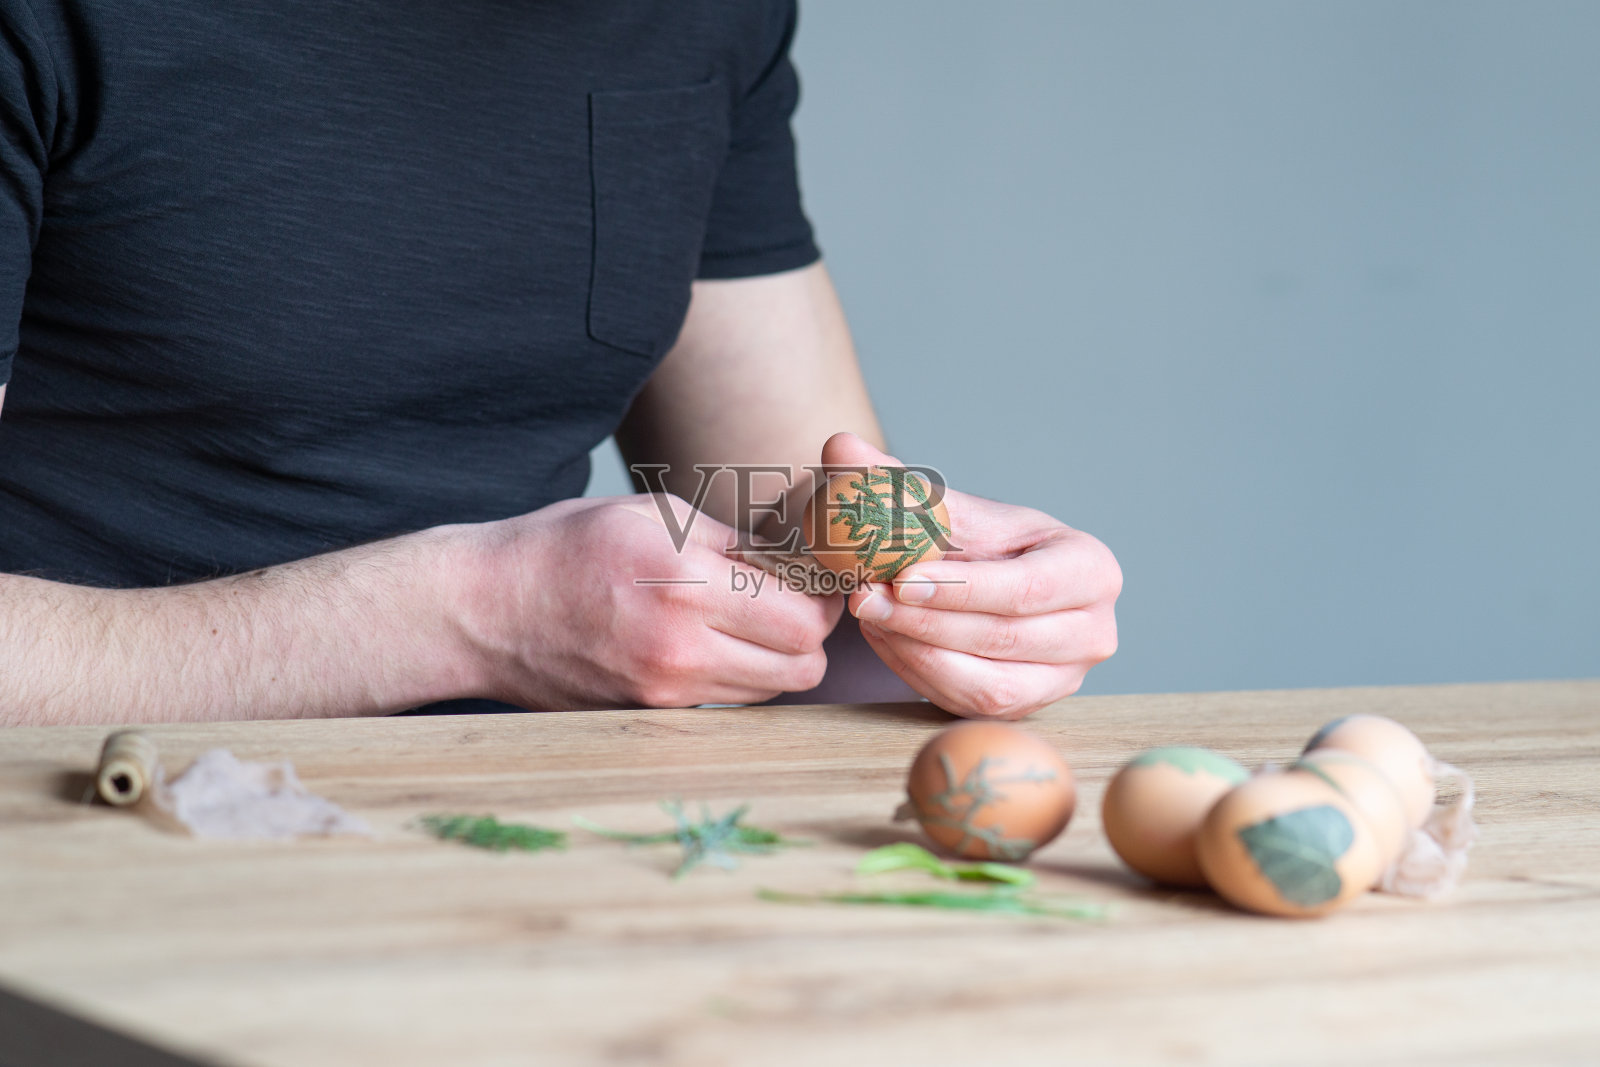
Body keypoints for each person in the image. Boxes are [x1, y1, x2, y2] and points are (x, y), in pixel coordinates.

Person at [0, 0, 1120, 727]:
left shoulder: (706, 21)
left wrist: (954, 594)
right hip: (82, 832)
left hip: (518, 834)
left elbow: (798, 524)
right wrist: (474, 610)